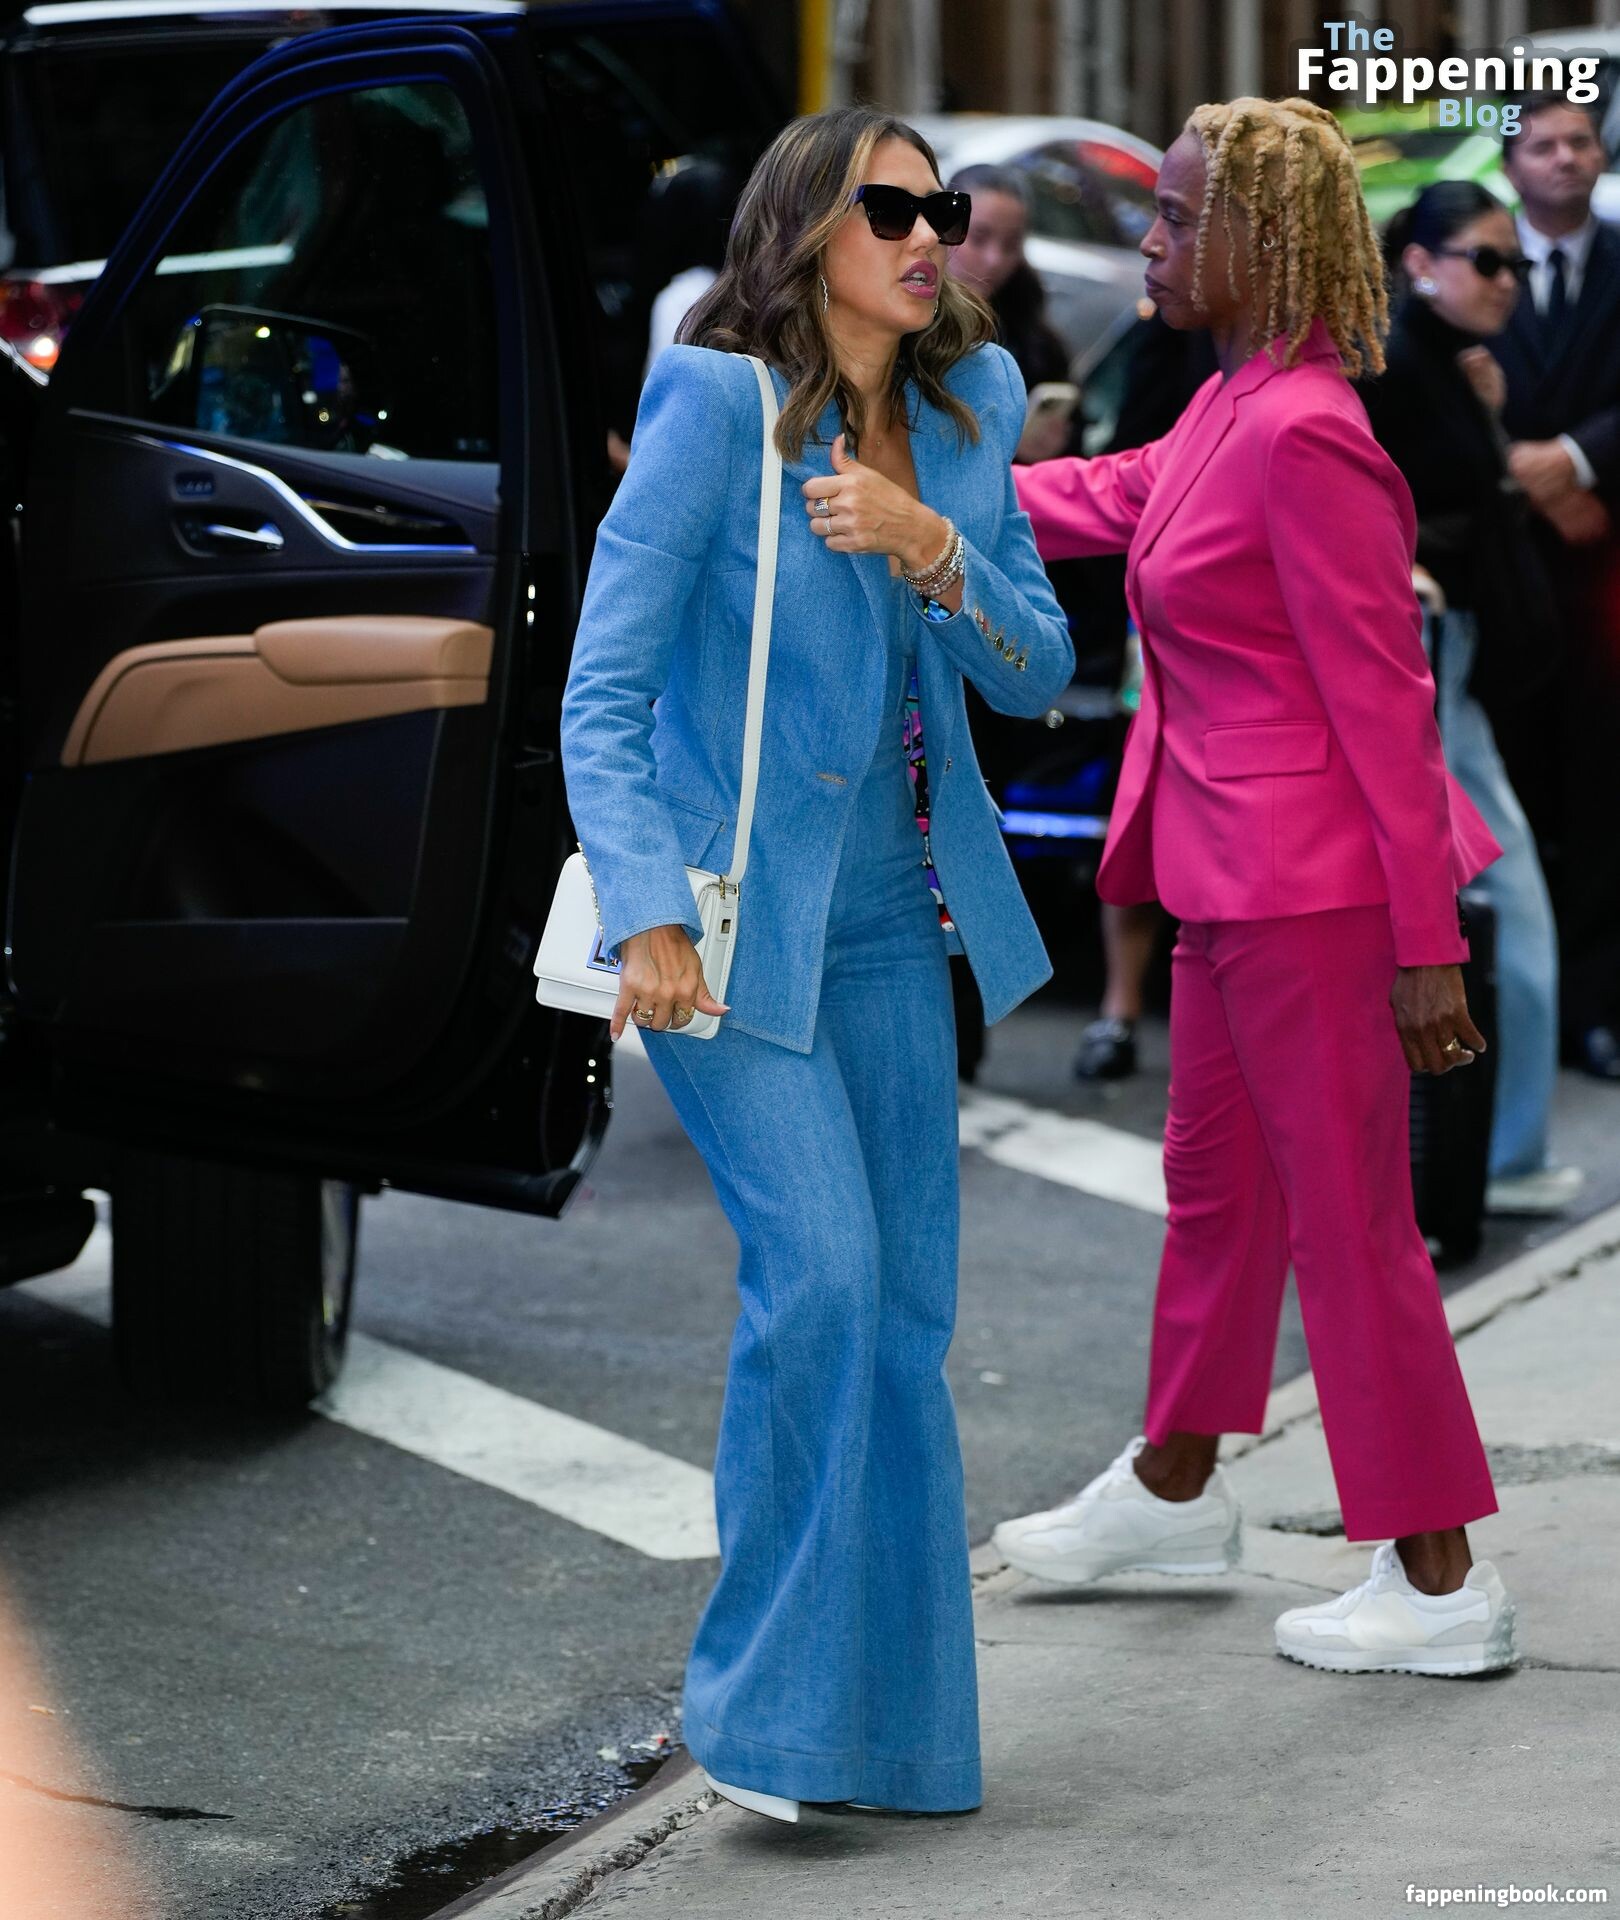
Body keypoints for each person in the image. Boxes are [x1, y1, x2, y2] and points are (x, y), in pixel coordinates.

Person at [560, 107, 1073, 1819]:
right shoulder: (716, 406)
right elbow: (603, 689)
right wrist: (640, 905)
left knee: (905, 1320)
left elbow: (1037, 669)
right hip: (726, 930)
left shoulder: (969, 403)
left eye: (945, 208)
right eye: (890, 208)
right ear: (803, 230)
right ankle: (769, 1725)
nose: (929, 236)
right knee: (827, 1284)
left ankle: (900, 1738)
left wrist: (930, 547)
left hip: (892, 923)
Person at [998, 97, 1518, 1677]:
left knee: (1352, 1229)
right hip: (1229, 877)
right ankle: (1173, 1486)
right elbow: (1110, 496)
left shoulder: (1306, 430)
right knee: (1220, 1197)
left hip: (1317, 895)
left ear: (1260, 241)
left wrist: (1425, 945)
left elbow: (1388, 703)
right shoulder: (1236, 401)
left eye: (1174, 218)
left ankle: (1440, 1579)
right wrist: (916, 498)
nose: (1150, 242)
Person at [1360, 181, 1579, 1217]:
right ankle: (1497, 1154)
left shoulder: (1449, 363)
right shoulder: (1395, 363)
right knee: (1505, 907)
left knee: (1498, 908)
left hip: (1461, 668)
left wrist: (1492, 420)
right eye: (1488, 260)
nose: (1508, 282)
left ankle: (1496, 1150)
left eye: (1516, 264)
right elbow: (1372, 510)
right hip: (1429, 667)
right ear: (1421, 264)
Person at [1491, 92, 1620, 1082]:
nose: (1566, 158)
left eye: (1580, 141)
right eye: (1543, 145)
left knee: (1602, 787)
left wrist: (1578, 461)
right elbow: (1428, 384)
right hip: (1503, 568)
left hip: (1605, 557)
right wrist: (1525, 475)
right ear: (1512, 164)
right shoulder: (1474, 257)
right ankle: (1508, 1004)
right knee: (1512, 786)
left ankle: (1594, 1006)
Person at [944, 163, 1075, 462]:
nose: (994, 259)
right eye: (979, 238)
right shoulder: (902, 324)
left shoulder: (1036, 344)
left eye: (1011, 245)